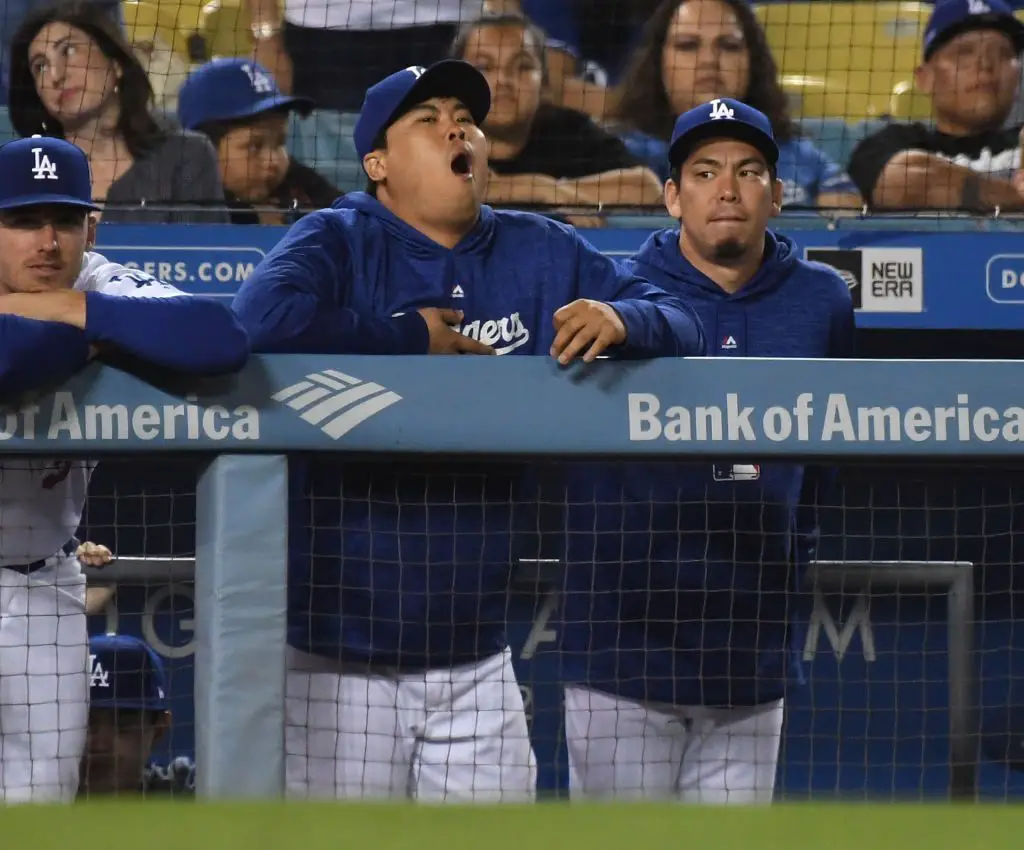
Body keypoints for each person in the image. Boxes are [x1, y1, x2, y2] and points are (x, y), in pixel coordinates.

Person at [232, 59, 707, 803]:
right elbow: (254, 324)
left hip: (477, 660)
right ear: (377, 163)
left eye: (467, 118)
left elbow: (685, 318)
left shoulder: (540, 249)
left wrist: (624, 317)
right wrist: (405, 340)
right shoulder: (339, 237)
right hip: (336, 662)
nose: (458, 127)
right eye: (427, 119)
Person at [558, 99, 855, 803]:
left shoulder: (821, 301)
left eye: (750, 171)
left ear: (778, 196)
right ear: (672, 195)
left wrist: (790, 563)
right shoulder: (611, 290)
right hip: (621, 653)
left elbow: (824, 467)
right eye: (705, 171)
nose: (728, 189)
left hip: (748, 654)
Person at [0, 134, 249, 803]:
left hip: (44, 584)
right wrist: (86, 337)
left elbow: (218, 339)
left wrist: (67, 310)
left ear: (92, 226)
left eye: (63, 221)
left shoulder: (92, 281)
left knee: (40, 805)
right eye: (23, 221)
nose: (46, 242)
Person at [608, 0, 862, 210]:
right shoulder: (624, 151)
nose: (709, 61)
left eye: (728, 46)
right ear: (657, 63)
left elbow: (845, 220)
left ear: (752, 62)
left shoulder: (796, 153)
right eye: (688, 46)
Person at [7, 1, 228, 224]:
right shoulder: (23, 177)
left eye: (69, 50)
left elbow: (205, 255)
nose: (56, 75)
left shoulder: (185, 155)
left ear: (115, 64)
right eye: (40, 66)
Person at [451, 13, 662, 221]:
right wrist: (544, 191)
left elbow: (648, 189)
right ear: (458, 84)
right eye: (483, 67)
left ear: (543, 85)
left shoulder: (568, 132)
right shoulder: (442, 135)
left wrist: (542, 189)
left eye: (522, 66)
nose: (503, 80)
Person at [848, 0, 1024, 213]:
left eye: (1003, 53)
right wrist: (1014, 196)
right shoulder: (889, 143)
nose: (986, 65)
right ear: (925, 78)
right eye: (964, 52)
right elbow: (903, 186)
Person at [177, 58, 340, 226]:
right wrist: (249, 219)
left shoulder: (299, 184)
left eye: (280, 143)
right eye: (255, 146)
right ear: (203, 149)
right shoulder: (180, 201)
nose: (274, 161)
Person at [79, 634, 183, 797]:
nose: (99, 746)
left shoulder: (187, 797)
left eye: (123, 725)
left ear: (158, 730)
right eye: (84, 724)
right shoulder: (29, 796)